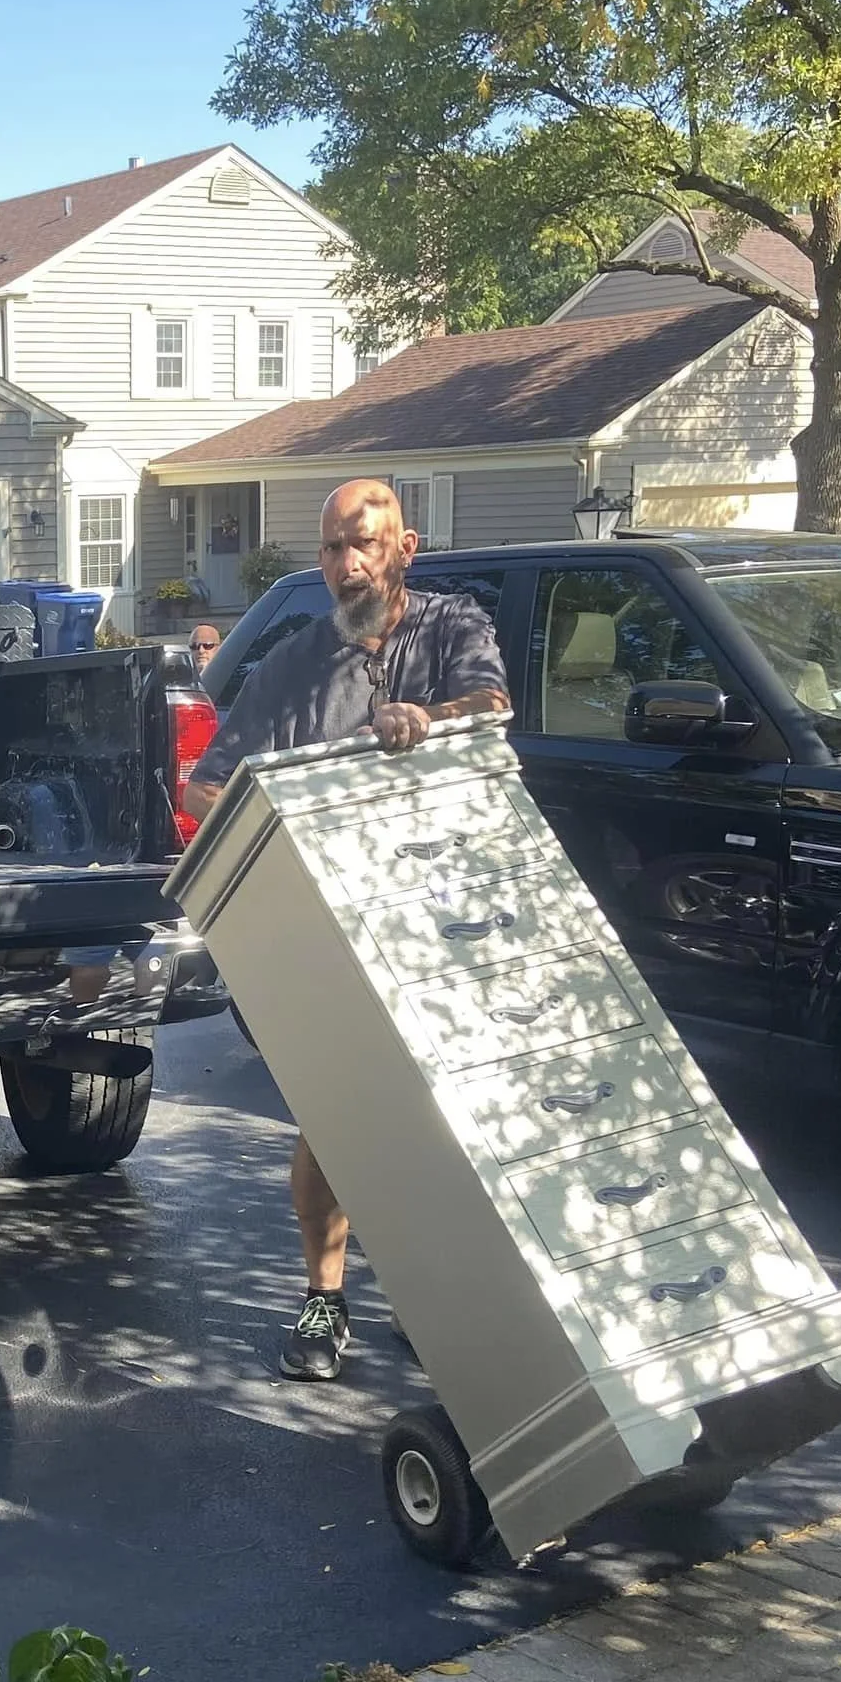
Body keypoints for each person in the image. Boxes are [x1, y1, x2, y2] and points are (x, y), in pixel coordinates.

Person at [181, 479, 511, 1382]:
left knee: (443, 1120)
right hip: (329, 930)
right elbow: (204, 786)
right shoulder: (292, 663)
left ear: (404, 548)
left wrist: (426, 718)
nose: (346, 562)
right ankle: (325, 1299)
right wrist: (275, 836)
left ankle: (422, 1289)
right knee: (336, 1121)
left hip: (444, 924)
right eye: (331, 547)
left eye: (363, 542)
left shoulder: (452, 625)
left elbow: (491, 708)